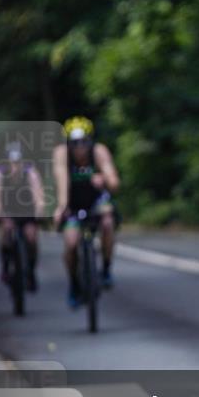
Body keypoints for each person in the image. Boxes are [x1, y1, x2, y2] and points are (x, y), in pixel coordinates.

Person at [52, 116, 121, 308]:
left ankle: (106, 268)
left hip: (95, 201)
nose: (79, 147)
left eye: (83, 142)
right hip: (73, 202)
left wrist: (104, 179)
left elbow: (114, 183)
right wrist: (62, 207)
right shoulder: (61, 154)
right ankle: (74, 283)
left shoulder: (99, 151)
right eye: (74, 143)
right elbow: (62, 180)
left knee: (107, 221)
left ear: (90, 141)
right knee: (71, 243)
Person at [0, 142, 46, 290]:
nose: (15, 166)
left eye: (17, 162)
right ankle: (5, 267)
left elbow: (38, 192)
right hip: (8, 209)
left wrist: (40, 209)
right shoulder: (0, 172)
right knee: (6, 232)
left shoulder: (30, 171)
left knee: (31, 237)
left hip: (26, 210)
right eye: (12, 162)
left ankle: (31, 271)